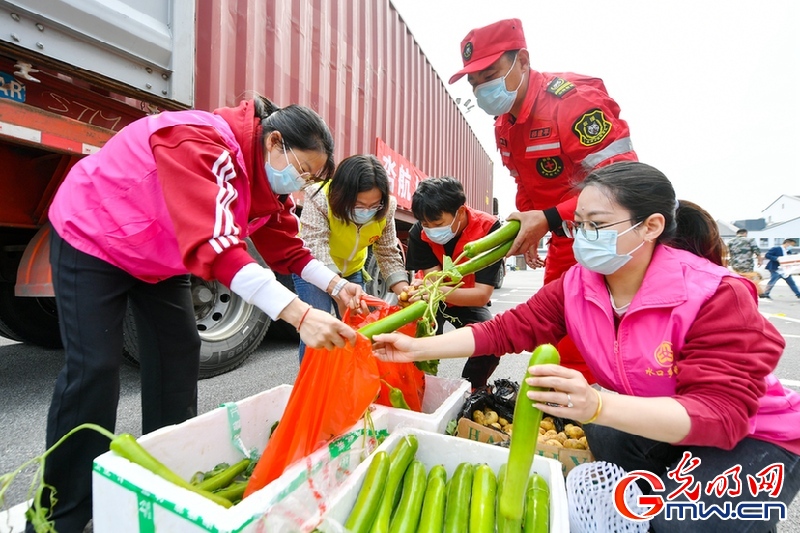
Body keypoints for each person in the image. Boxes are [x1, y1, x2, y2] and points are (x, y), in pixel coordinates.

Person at [374, 162, 800, 532]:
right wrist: (409, 350)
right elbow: (506, 329)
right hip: (666, 420)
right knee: (603, 436)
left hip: (753, 435)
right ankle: (672, 487)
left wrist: (597, 405)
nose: (583, 237)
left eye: (597, 225)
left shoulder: (715, 294)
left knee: (682, 519)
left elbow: (722, 416)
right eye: (578, 225)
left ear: (649, 226)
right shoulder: (579, 285)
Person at [35, 96, 365, 533]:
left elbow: (289, 249)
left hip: (158, 258)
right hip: (95, 235)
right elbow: (219, 247)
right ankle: (60, 513)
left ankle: (159, 481)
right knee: (94, 368)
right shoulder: (200, 140)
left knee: (179, 352)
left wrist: (338, 286)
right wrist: (302, 315)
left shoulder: (265, 188)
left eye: (308, 179)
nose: (298, 182)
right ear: (275, 142)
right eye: (301, 169)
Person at [449, 18, 638, 382]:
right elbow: (525, 183)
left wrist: (548, 218)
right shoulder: (504, 124)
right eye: (475, 83)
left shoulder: (574, 101)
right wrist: (530, 223)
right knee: (554, 339)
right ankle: (563, 418)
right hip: (565, 242)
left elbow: (622, 182)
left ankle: (587, 420)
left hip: (606, 243)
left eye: (490, 74)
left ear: (522, 60)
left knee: (583, 348)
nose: (482, 89)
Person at [294, 154, 411, 362]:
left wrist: (405, 292)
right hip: (313, 270)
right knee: (317, 325)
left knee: (357, 328)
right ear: (342, 195)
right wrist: (339, 291)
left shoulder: (387, 208)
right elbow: (316, 247)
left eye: (373, 205)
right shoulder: (319, 196)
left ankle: (351, 382)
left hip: (352, 271)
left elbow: (387, 251)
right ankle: (311, 384)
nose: (367, 211)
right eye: (358, 205)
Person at [405, 176, 503, 389]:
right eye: (425, 223)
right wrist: (426, 290)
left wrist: (434, 288)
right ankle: (418, 388)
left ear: (459, 211)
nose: (430, 229)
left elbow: (481, 295)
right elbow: (433, 280)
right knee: (421, 340)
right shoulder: (419, 233)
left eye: (437, 223)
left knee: (491, 343)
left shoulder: (489, 230)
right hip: (433, 299)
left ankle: (471, 389)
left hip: (467, 298)